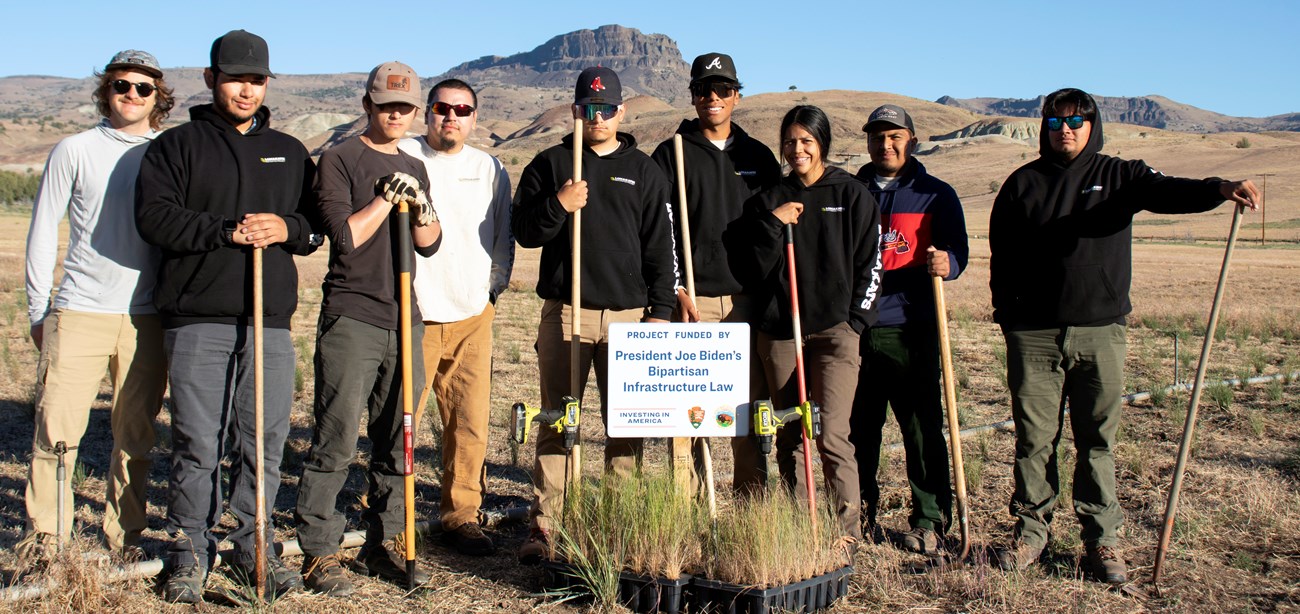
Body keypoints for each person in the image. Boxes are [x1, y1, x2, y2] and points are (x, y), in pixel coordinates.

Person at [989, 87, 1260, 584]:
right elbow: (1002, 255)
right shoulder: (1022, 183)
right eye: (1054, 122)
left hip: (1101, 332)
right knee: (1033, 441)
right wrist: (1010, 318)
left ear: (1093, 125)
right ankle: (1030, 533)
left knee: (1097, 441)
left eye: (1075, 121)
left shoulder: (1119, 175)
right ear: (1043, 128)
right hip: (1033, 335)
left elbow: (1169, 191)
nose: (1064, 130)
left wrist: (1220, 187)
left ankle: (1102, 540)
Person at [135, 30, 320, 603]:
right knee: (197, 442)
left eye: (257, 79)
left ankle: (254, 548)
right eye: (236, 78)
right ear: (211, 78)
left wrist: (286, 229)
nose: (246, 89)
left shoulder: (290, 151)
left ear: (268, 84)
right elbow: (156, 219)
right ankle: (189, 553)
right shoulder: (176, 146)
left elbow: (313, 227)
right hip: (197, 321)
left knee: (262, 444)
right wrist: (225, 230)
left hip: (269, 323)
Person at [513, 66, 678, 563]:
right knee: (559, 421)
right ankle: (548, 527)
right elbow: (525, 231)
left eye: (606, 109)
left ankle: (618, 520)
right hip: (568, 311)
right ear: (574, 110)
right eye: (588, 108)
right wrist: (560, 204)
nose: (597, 116)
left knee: (626, 423)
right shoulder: (551, 162)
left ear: (622, 111)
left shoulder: (645, 170)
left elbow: (660, 247)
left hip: (629, 315)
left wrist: (661, 311)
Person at [19, 49, 174, 564]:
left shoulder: (169, 151)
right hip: (79, 310)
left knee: (136, 436)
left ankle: (125, 538)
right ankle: (49, 543)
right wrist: (40, 310)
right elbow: (43, 230)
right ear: (105, 92)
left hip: (146, 316)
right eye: (120, 86)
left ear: (158, 96)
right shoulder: (74, 149)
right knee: (56, 433)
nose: (131, 95)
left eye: (143, 88)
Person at [296, 61, 441, 596]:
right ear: (367, 105)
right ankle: (317, 551)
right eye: (386, 106)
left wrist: (421, 204)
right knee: (335, 438)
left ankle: (389, 542)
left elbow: (429, 242)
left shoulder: (416, 165)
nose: (396, 115)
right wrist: (384, 197)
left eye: (405, 108)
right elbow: (346, 236)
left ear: (416, 111)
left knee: (397, 438)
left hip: (405, 316)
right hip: (353, 315)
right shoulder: (339, 158)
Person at [741, 105, 882, 544]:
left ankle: (846, 532)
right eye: (789, 141)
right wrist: (771, 223)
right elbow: (750, 267)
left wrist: (856, 321)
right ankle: (804, 528)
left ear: (822, 143)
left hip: (835, 333)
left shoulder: (853, 194)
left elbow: (870, 264)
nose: (797, 149)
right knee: (790, 435)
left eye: (806, 140)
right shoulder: (768, 199)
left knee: (833, 435)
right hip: (781, 332)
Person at [650, 52, 781, 497]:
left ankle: (750, 502)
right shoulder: (672, 153)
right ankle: (687, 503)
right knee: (688, 411)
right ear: (692, 97)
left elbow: (773, 230)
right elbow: (659, 228)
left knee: (745, 407)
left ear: (737, 97)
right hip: (695, 301)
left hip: (748, 301)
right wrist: (676, 289)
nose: (713, 97)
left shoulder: (758, 157)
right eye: (704, 90)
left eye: (723, 89)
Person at [398, 78, 513, 556]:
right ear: (428, 112)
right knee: (402, 418)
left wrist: (492, 291)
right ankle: (390, 514)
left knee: (469, 423)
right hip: (416, 311)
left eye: (462, 110)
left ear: (474, 116)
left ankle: (461, 514)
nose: (451, 117)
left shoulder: (489, 167)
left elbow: (503, 235)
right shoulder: (403, 155)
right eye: (442, 108)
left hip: (472, 313)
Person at [848, 104, 968, 554]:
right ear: (867, 142)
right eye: (878, 136)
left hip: (912, 326)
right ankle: (857, 512)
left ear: (912, 141)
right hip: (855, 329)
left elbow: (958, 249)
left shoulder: (936, 194)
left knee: (920, 429)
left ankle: (930, 519)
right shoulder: (850, 190)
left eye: (895, 136)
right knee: (858, 429)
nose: (886, 144)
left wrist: (949, 263)